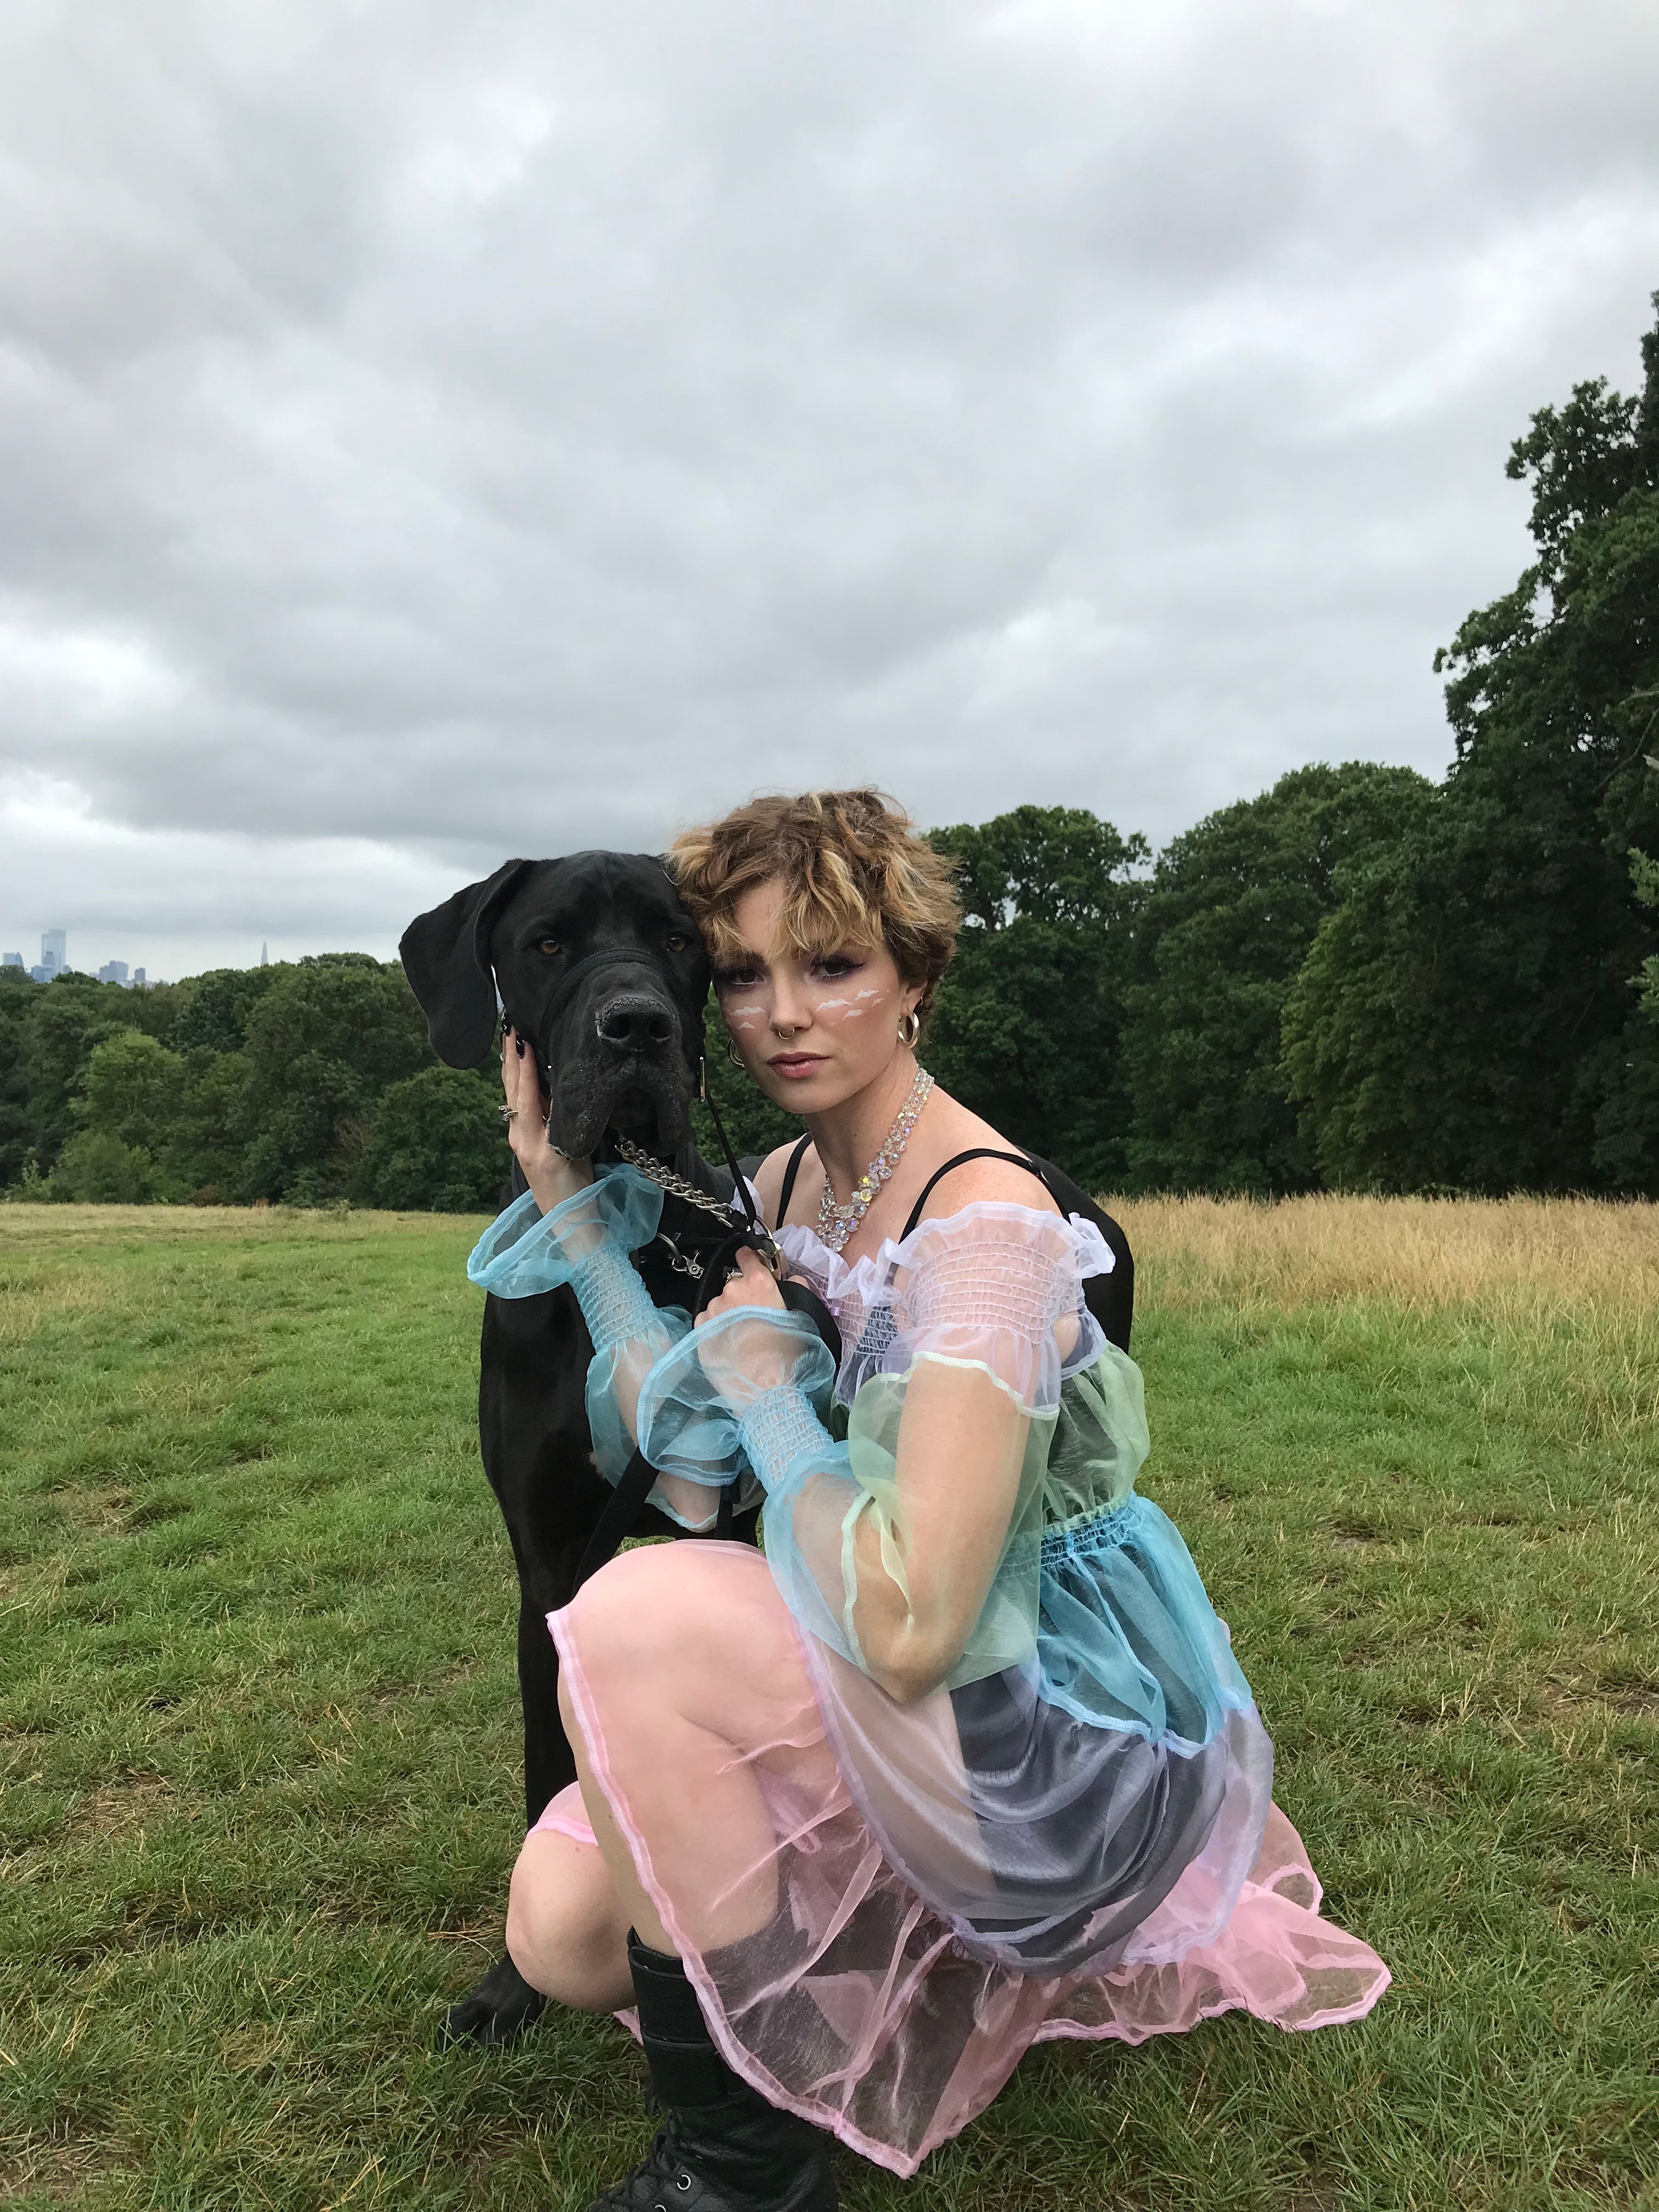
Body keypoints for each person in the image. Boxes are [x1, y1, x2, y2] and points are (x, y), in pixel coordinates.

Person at [469, 790, 1389, 2212]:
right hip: (899, 1660)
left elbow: (908, 1624)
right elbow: (690, 1452)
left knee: (643, 1608)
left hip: (1037, 1729)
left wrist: (777, 1388)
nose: (783, 1012)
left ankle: (743, 2178)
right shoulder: (783, 1183)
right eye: (748, 974)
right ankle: (872, 1952)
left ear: (917, 979)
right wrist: (576, 1213)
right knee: (559, 1930)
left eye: (831, 966)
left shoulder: (989, 1234)